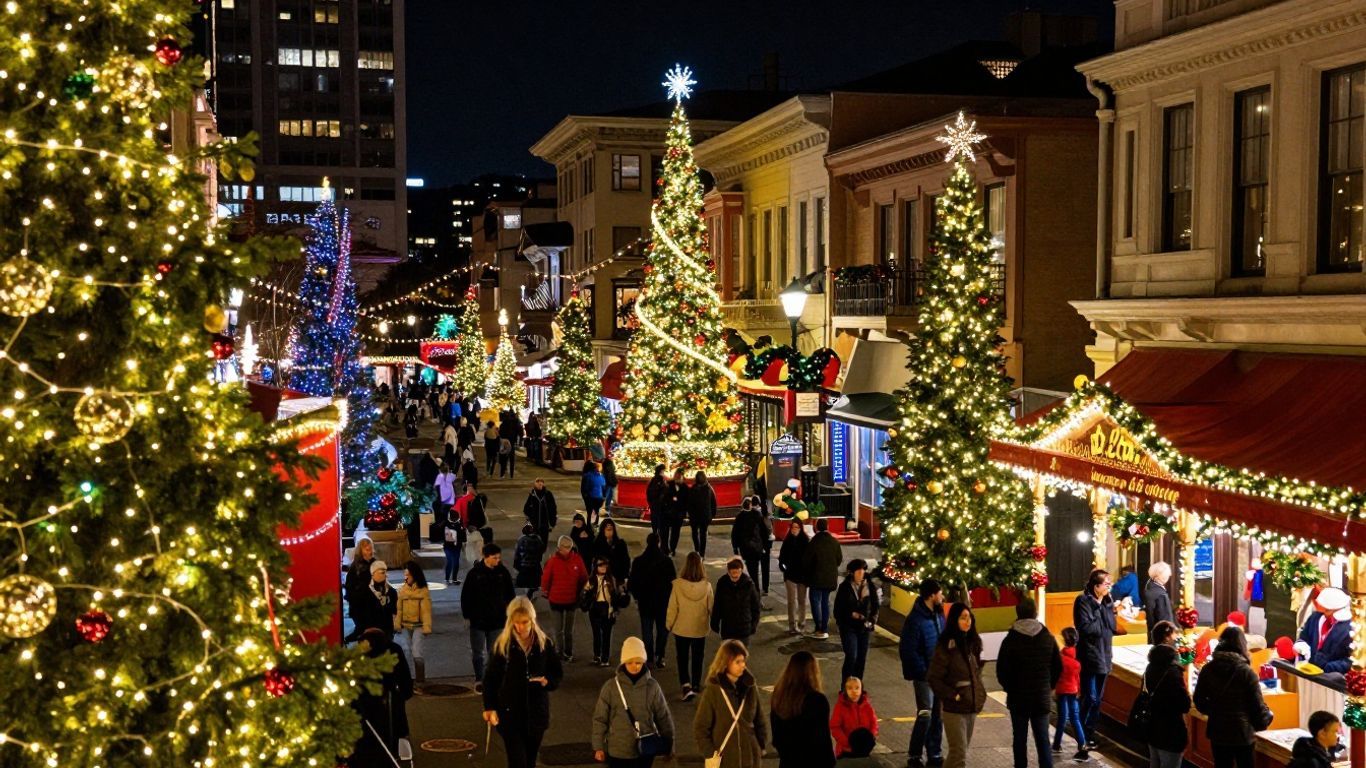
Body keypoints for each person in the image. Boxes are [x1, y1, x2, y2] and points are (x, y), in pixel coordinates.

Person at [483, 596, 564, 768]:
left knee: (530, 761)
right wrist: (489, 707)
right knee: (517, 762)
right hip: (509, 713)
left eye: (525, 622)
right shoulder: (502, 646)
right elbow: (491, 678)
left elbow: (556, 672)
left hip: (536, 714)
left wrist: (547, 682)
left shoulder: (544, 644)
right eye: (516, 622)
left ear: (532, 620)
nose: (520, 627)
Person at [1193, 626, 1274, 768]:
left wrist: (1215, 712)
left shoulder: (1208, 669)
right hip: (1242, 734)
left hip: (1217, 732)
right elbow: (1257, 706)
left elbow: (1199, 701)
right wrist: (1267, 718)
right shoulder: (1247, 672)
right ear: (1242, 645)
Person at [995, 597, 1062, 768]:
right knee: (1043, 740)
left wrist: (1010, 688)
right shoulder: (1047, 637)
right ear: (1035, 612)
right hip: (1041, 696)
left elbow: (1001, 670)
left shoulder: (1011, 640)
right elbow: (1058, 666)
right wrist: (1049, 686)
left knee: (1019, 739)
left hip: (1018, 698)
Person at [592, 636, 676, 768]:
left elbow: (663, 717)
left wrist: (669, 745)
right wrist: (598, 746)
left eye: (638, 662)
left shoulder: (652, 686)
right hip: (619, 751)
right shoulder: (611, 687)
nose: (634, 666)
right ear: (623, 662)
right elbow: (600, 719)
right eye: (630, 662)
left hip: (645, 751)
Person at [693, 640, 768, 768]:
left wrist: (761, 745)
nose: (743, 665)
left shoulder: (750, 687)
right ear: (726, 663)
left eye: (743, 661)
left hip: (750, 758)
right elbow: (701, 727)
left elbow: (759, 719)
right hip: (725, 760)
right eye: (737, 662)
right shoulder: (714, 690)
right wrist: (710, 753)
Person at [928, 604, 985, 768]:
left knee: (958, 754)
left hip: (971, 705)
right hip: (954, 708)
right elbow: (934, 678)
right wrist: (954, 695)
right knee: (959, 754)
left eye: (969, 617)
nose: (967, 621)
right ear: (954, 620)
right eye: (963, 618)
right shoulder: (947, 646)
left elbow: (975, 674)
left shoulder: (973, 643)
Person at [351, 627, 414, 766]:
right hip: (390, 704)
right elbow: (405, 680)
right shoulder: (393, 649)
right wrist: (403, 695)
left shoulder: (358, 653)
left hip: (364, 706)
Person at [901, 577, 945, 768]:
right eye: (939, 593)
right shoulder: (915, 620)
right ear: (931, 595)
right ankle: (915, 754)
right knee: (925, 714)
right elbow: (908, 650)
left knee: (937, 715)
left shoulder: (937, 614)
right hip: (924, 676)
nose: (942, 596)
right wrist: (923, 672)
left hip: (938, 675)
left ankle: (934, 752)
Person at [1073, 568, 1117, 749]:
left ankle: (1089, 732)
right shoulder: (1083, 601)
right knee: (1089, 697)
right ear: (1096, 586)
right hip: (1090, 656)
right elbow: (1087, 629)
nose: (1109, 587)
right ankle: (1080, 731)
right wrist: (1099, 609)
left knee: (1097, 699)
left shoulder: (1107, 602)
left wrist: (1106, 608)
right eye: (1107, 584)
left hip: (1105, 655)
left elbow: (1112, 626)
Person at [461, 543, 516, 684]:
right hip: (478, 621)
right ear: (485, 557)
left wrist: (510, 613)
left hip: (497, 620)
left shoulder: (503, 573)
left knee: (494, 652)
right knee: (477, 653)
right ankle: (479, 678)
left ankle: (491, 678)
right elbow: (466, 596)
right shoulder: (474, 574)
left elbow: (510, 595)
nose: (498, 560)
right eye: (494, 558)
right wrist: (467, 616)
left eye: (499, 557)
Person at [769, 650, 834, 768]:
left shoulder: (779, 697)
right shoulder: (817, 700)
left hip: (788, 762)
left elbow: (777, 738)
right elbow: (822, 740)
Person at [667, 552, 713, 701]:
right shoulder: (706, 586)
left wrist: (669, 623)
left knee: (682, 656)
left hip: (681, 627)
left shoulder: (678, 585)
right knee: (698, 656)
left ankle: (685, 684)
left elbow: (673, 607)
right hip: (699, 627)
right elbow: (711, 607)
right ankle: (696, 683)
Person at [1144, 629, 1193, 768]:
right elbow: (1185, 704)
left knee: (1155, 762)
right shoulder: (1173, 675)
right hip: (1171, 733)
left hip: (1152, 729)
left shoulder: (1149, 669)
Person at [630, 532, 677, 669]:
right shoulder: (666, 561)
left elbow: (633, 582)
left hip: (645, 603)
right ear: (658, 542)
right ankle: (660, 655)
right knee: (663, 631)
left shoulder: (639, 561)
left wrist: (638, 597)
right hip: (663, 603)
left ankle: (649, 658)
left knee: (647, 631)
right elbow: (672, 582)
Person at [540, 535, 588, 663]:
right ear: (559, 548)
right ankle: (560, 651)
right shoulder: (553, 561)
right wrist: (545, 591)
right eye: (563, 547)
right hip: (556, 600)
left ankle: (568, 652)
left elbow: (584, 577)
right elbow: (546, 578)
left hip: (572, 600)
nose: (565, 550)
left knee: (568, 631)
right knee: (558, 629)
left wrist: (583, 592)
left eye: (567, 547)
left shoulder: (577, 560)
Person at [833, 558, 880, 682]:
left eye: (863, 571)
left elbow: (875, 604)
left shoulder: (869, 586)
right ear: (852, 573)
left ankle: (858, 686)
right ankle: (846, 686)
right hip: (849, 627)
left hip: (864, 627)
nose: (861, 574)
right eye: (858, 571)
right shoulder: (845, 587)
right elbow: (838, 609)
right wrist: (851, 614)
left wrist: (872, 620)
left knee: (861, 658)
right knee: (851, 656)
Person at [1295, 587, 1353, 674]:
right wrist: (1300, 644)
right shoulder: (1315, 618)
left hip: (1332, 679)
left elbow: (1350, 661)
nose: (1324, 613)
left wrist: (1328, 668)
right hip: (1307, 671)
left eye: (1327, 610)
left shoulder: (1351, 629)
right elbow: (1304, 637)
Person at [803, 518, 843, 640]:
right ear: (828, 527)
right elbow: (839, 559)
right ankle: (824, 628)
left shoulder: (813, 542)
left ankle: (819, 627)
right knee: (825, 602)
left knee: (815, 602)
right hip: (830, 578)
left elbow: (807, 561)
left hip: (816, 578)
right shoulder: (834, 542)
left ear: (816, 527)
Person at [395, 561, 433, 683]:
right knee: (405, 650)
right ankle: (406, 679)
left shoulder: (423, 591)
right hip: (405, 625)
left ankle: (420, 680)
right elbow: (399, 609)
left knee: (417, 651)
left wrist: (427, 626)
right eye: (405, 575)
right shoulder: (402, 590)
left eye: (408, 575)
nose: (405, 578)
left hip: (419, 626)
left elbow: (426, 611)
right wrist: (397, 623)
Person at [1053, 627, 1087, 759]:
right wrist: (1078, 689)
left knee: (1062, 718)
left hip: (1062, 691)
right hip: (1073, 690)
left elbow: (1055, 675)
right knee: (1075, 717)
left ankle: (1056, 744)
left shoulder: (1060, 658)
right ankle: (1082, 743)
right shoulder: (1076, 661)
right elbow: (1077, 678)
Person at [712, 557, 761, 646]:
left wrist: (753, 625)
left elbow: (755, 607)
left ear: (741, 571)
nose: (735, 577)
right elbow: (717, 604)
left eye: (737, 575)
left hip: (744, 627)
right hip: (728, 628)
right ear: (728, 572)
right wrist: (714, 622)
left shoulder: (749, 584)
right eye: (732, 575)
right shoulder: (722, 583)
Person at [831, 675, 879, 759]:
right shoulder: (840, 707)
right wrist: (847, 742)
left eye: (857, 688)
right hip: (846, 751)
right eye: (850, 688)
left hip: (864, 749)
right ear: (845, 691)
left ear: (861, 690)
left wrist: (870, 737)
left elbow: (873, 722)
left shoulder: (867, 706)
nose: (854, 691)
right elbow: (835, 727)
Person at [731, 497, 770, 594]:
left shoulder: (739, 517)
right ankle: (762, 590)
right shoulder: (757, 515)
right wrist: (765, 546)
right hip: (758, 548)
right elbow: (764, 532)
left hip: (747, 549)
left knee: (753, 573)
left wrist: (736, 549)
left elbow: (735, 534)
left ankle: (755, 592)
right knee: (760, 570)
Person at [352, 560, 398, 639]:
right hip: (369, 631)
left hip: (386, 630)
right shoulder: (363, 592)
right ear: (373, 574)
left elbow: (395, 610)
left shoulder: (391, 591)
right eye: (382, 572)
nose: (386, 575)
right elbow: (358, 612)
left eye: (386, 572)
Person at [778, 524, 810, 636]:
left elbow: (809, 558)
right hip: (790, 575)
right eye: (793, 527)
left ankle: (801, 623)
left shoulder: (805, 541)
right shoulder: (787, 541)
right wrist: (783, 567)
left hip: (802, 576)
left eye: (797, 527)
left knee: (802, 600)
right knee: (791, 601)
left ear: (801, 529)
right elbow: (781, 557)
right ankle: (792, 625)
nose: (794, 530)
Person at [344, 535, 377, 639]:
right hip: (359, 599)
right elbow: (350, 584)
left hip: (371, 599)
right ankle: (360, 630)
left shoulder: (374, 563)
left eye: (371, 549)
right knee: (361, 619)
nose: (370, 552)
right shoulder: (356, 566)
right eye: (367, 549)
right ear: (361, 551)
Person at [688, 471, 717, 557]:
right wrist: (712, 515)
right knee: (702, 534)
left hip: (696, 516)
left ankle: (698, 550)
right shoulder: (709, 488)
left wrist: (690, 514)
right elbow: (714, 503)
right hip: (704, 516)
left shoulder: (693, 489)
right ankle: (701, 553)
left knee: (695, 533)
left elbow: (689, 504)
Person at [594, 518, 631, 585]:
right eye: (607, 528)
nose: (609, 530)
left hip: (618, 577)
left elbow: (626, 560)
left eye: (611, 528)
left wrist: (624, 576)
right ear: (603, 530)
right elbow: (596, 560)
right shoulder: (598, 543)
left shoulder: (620, 544)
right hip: (603, 578)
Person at [523, 478, 558, 549]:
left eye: (541, 482)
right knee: (533, 544)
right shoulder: (532, 495)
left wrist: (553, 522)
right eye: (537, 482)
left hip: (544, 525)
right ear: (534, 484)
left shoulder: (548, 494)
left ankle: (540, 555)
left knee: (543, 544)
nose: (540, 484)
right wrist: (530, 516)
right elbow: (526, 509)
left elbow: (553, 508)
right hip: (534, 524)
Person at [1144, 562, 1175, 642]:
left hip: (1154, 633)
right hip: (1162, 636)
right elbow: (1164, 618)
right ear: (1161, 575)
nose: (1169, 576)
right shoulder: (1160, 594)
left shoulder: (1150, 588)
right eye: (1167, 574)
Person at [514, 523, 544, 600]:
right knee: (534, 584)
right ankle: (531, 594)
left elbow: (517, 555)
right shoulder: (538, 540)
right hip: (535, 567)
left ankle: (526, 597)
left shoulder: (521, 540)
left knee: (524, 584)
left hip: (524, 567)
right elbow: (540, 554)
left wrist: (516, 566)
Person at [664, 468, 689, 557]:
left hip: (679, 514)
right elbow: (665, 497)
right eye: (676, 475)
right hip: (668, 513)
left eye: (680, 475)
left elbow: (687, 501)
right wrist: (671, 500)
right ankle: (665, 548)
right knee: (665, 532)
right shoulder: (669, 485)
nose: (678, 477)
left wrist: (684, 512)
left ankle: (672, 548)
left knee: (675, 532)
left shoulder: (685, 487)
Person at [646, 464, 668, 540]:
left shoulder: (653, 480)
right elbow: (663, 492)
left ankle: (655, 534)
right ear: (661, 471)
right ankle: (657, 537)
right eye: (663, 471)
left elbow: (648, 492)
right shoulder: (660, 480)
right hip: (659, 505)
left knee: (654, 521)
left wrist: (650, 502)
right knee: (659, 522)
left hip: (653, 505)